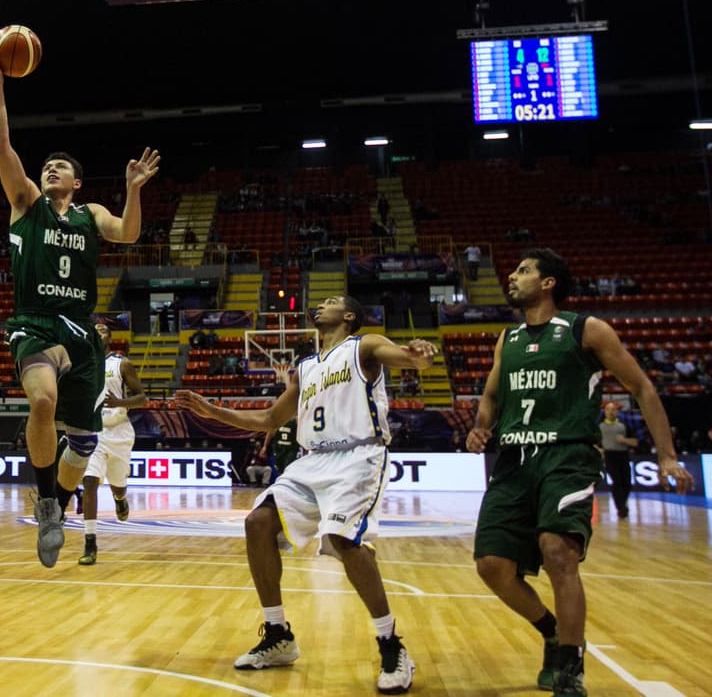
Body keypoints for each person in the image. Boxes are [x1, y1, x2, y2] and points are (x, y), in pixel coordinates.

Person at [175, 295, 435, 694]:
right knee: (257, 523)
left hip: (358, 455)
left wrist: (416, 356)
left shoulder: (363, 346)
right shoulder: (305, 368)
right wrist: (212, 411)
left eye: (331, 302)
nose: (320, 305)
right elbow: (268, 418)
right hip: (311, 460)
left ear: (349, 315)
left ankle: (391, 644)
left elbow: (399, 356)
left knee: (343, 541)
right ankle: (278, 635)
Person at [465, 248, 693, 697]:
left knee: (557, 551)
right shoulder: (506, 340)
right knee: (491, 566)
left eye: (524, 270)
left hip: (567, 455)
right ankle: (553, 632)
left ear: (549, 283)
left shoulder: (585, 329)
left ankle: (570, 667)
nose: (512, 276)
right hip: (513, 459)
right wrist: (480, 427)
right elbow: (491, 396)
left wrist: (666, 454)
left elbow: (642, 386)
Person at [0, 41, 161, 567]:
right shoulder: (26, 205)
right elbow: (1, 145)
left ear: (77, 181)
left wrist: (133, 189)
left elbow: (129, 234)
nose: (51, 170)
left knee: (83, 444)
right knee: (41, 401)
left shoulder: (91, 214)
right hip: (35, 322)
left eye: (60, 166)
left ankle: (57, 506)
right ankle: (45, 499)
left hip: (82, 329)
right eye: (47, 166)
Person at [77, 322, 146, 565]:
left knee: (117, 484)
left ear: (110, 338)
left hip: (119, 432)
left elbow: (142, 398)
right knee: (89, 481)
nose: (99, 332)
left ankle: (120, 498)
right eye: (94, 329)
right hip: (93, 432)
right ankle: (90, 542)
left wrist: (119, 402)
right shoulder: (80, 363)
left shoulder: (121, 363)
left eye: (103, 330)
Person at [598, 401, 638, 520]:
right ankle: (621, 508)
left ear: (617, 411)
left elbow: (635, 442)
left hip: (623, 455)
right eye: (608, 409)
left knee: (627, 483)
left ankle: (622, 504)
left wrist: (625, 441)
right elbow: (593, 442)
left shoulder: (624, 426)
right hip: (609, 455)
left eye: (613, 409)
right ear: (604, 412)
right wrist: (600, 450)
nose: (611, 412)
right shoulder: (599, 426)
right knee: (617, 481)